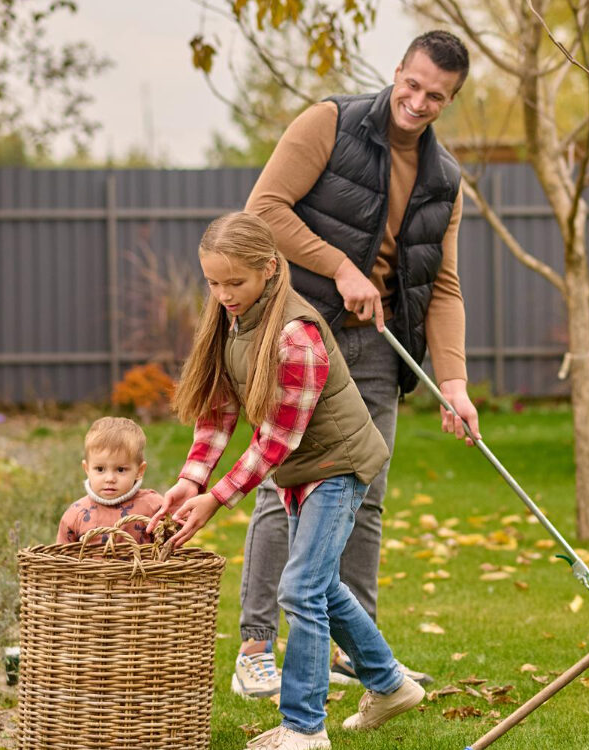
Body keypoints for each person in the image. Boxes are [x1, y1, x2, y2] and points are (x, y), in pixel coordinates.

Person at [233, 29, 479, 696]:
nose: (419, 101)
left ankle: (357, 652)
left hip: (377, 346)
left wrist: (453, 383)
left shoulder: (444, 178)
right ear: (397, 71)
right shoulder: (330, 122)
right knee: (286, 485)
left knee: (362, 497)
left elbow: (444, 285)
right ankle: (257, 647)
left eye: (436, 96)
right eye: (413, 84)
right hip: (303, 335)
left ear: (449, 99)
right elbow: (264, 211)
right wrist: (341, 267)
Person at [152, 212, 423, 750]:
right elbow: (218, 412)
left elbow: (276, 440)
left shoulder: (295, 335)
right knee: (320, 586)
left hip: (337, 465)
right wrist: (191, 480)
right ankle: (390, 685)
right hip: (304, 469)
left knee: (300, 589)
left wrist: (217, 499)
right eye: (214, 282)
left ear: (270, 270)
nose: (224, 293)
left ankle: (303, 728)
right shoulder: (234, 323)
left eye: (236, 282)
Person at [55, 416, 164, 545]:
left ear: (139, 471)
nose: (110, 479)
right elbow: (61, 558)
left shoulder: (153, 506)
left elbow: (172, 547)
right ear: (87, 469)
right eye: (100, 469)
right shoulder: (76, 514)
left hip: (141, 565)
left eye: (121, 470)